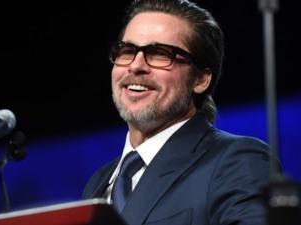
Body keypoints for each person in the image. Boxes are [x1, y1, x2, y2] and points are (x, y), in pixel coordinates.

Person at [82, 0, 278, 224]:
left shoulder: (236, 161)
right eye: (127, 51)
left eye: (160, 54)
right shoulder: (98, 182)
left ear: (200, 79)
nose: (136, 66)